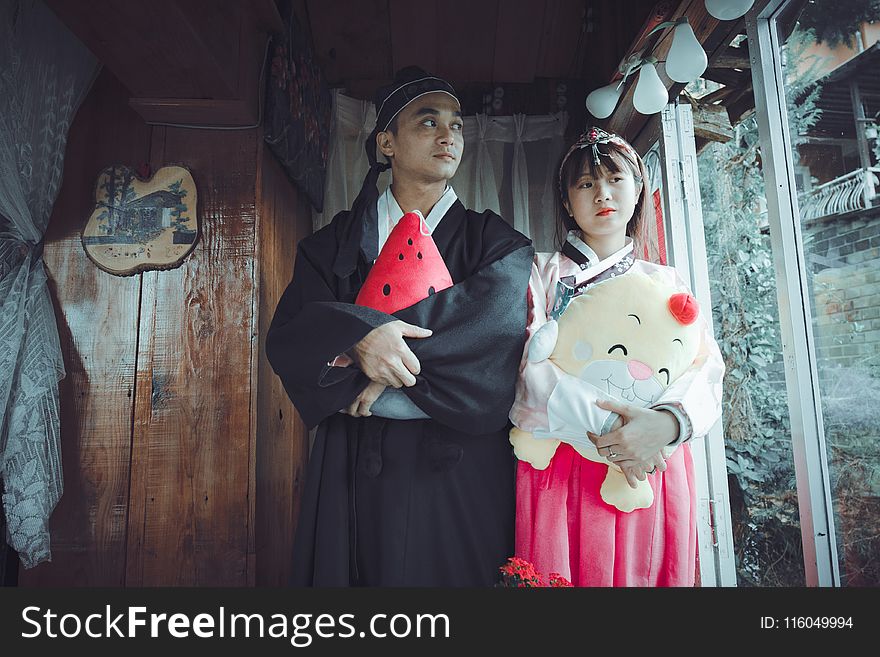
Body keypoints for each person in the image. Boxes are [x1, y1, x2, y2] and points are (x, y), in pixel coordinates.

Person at [266, 67, 534, 586]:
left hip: (461, 466)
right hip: (359, 459)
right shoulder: (335, 244)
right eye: (427, 121)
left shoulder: (495, 242)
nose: (448, 135)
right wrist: (361, 336)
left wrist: (373, 353)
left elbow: (495, 332)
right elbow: (294, 332)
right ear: (386, 141)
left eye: (456, 124)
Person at [509, 127, 724, 586]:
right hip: (563, 450)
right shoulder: (539, 275)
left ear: (638, 188)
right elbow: (529, 366)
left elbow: (704, 367)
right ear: (567, 202)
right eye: (585, 184)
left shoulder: (667, 281)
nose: (602, 193)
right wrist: (609, 428)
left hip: (649, 457)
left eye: (615, 180)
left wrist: (666, 423)